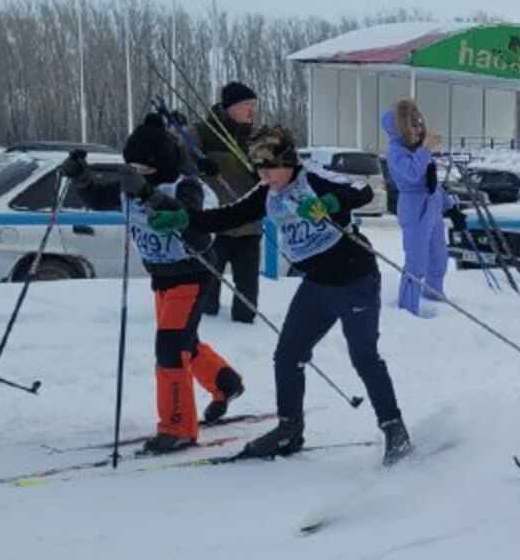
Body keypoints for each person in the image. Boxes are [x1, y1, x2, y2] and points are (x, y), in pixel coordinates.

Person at [162, 125, 412, 465]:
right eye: (259, 170)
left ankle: (394, 428)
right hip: (316, 286)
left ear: (288, 161)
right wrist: (183, 218)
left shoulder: (313, 178)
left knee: (363, 356)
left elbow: (362, 190)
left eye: (270, 168)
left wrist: (329, 202)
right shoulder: (267, 192)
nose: (265, 177)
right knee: (288, 355)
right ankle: (289, 428)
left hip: (356, 281)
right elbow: (228, 216)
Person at [59, 118, 246, 454]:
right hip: (162, 276)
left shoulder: (185, 185)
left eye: (143, 167)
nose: (137, 172)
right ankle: (226, 382)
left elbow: (191, 223)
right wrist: (81, 176)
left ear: (161, 163)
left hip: (191, 273)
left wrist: (147, 194)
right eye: (131, 166)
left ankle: (178, 427)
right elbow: (99, 198)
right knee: (183, 341)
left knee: (170, 348)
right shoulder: (131, 184)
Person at [383, 99, 462, 318]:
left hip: (432, 206)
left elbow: (432, 183)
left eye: (419, 124)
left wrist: (450, 207)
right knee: (416, 261)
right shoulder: (396, 151)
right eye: (413, 125)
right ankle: (408, 308)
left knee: (439, 257)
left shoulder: (418, 150)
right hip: (414, 207)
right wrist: (425, 149)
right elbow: (411, 174)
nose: (419, 129)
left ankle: (434, 295)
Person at [196, 81, 262, 324]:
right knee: (207, 296)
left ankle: (245, 330)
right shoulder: (203, 132)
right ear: (231, 106)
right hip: (216, 224)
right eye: (247, 105)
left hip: (249, 225)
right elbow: (180, 160)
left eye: (253, 105)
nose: (251, 110)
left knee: (248, 293)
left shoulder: (257, 138)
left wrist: (265, 172)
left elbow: (279, 173)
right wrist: (199, 165)